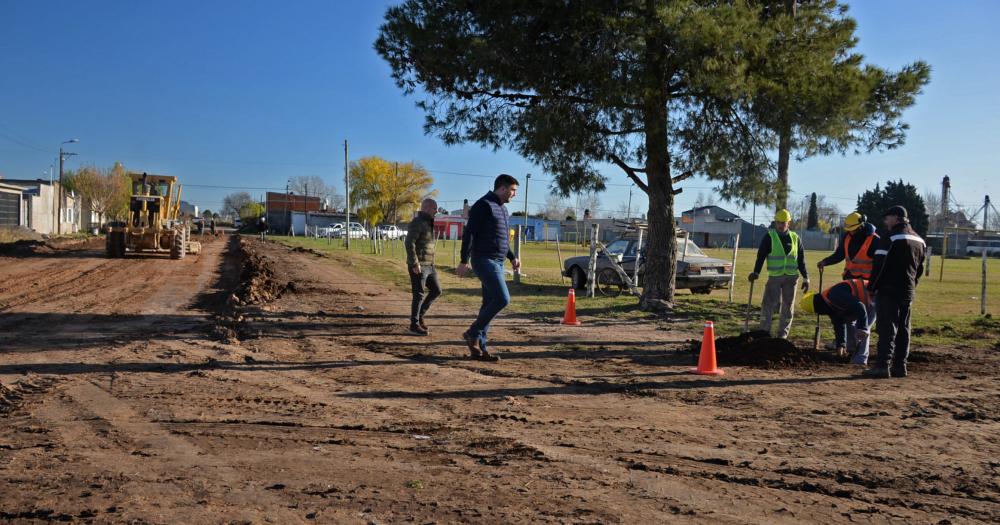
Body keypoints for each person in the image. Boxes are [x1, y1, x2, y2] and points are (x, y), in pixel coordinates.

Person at [456, 174, 521, 362]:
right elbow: (469, 234)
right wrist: (463, 260)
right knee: (503, 298)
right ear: (502, 188)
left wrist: (512, 257)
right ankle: (472, 332)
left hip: (498, 261)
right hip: (483, 260)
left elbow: (501, 238)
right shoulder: (483, 205)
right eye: (513, 190)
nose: (514, 194)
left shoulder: (503, 210)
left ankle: (479, 348)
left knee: (487, 305)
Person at [863, 205, 926, 379]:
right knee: (904, 328)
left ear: (897, 218)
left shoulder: (889, 238)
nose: (885, 221)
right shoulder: (920, 240)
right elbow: (919, 268)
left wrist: (872, 287)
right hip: (908, 291)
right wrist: (912, 285)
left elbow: (879, 265)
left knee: (886, 328)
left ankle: (882, 366)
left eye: (887, 218)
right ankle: (900, 366)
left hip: (888, 289)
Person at [749, 209, 810, 339]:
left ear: (789, 223)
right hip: (775, 278)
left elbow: (801, 260)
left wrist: (806, 278)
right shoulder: (769, 237)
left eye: (784, 222)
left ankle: (782, 335)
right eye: (778, 222)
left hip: (791, 279)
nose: (781, 225)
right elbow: (761, 256)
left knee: (788, 307)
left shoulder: (795, 238)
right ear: (775, 222)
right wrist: (756, 272)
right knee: (768, 305)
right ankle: (764, 332)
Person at [800, 279, 875, 365]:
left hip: (872, 294)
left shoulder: (835, 295)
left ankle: (860, 360)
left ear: (819, 307)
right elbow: (839, 325)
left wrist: (862, 328)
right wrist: (841, 345)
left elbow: (860, 307)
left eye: (817, 312)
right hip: (862, 301)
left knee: (864, 329)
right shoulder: (830, 306)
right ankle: (851, 352)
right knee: (849, 322)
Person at [404, 198, 441, 336]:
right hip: (418, 265)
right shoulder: (417, 222)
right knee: (419, 294)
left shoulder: (428, 222)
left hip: (430, 265)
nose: (436, 211)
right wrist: (414, 263)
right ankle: (414, 325)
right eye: (434, 208)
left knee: (437, 290)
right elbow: (409, 243)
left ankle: (420, 316)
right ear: (426, 208)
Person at [818, 212, 879, 280]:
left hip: (866, 283)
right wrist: (825, 262)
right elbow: (839, 255)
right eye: (849, 230)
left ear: (860, 226)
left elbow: (880, 264)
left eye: (853, 230)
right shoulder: (847, 237)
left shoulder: (875, 240)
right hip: (849, 279)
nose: (850, 232)